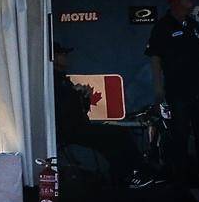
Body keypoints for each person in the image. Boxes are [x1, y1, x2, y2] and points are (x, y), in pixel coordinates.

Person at [146, 0, 199, 188]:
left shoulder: (193, 24)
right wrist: (158, 88)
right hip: (178, 89)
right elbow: (155, 58)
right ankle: (181, 180)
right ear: (176, 1)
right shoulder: (162, 26)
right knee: (180, 134)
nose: (191, 2)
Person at [54, 41, 141, 193]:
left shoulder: (63, 79)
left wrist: (84, 96)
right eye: (62, 54)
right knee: (116, 135)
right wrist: (75, 94)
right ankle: (129, 175)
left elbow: (79, 109)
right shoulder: (51, 80)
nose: (66, 57)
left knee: (114, 138)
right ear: (53, 57)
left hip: (78, 126)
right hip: (68, 129)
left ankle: (125, 176)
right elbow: (61, 107)